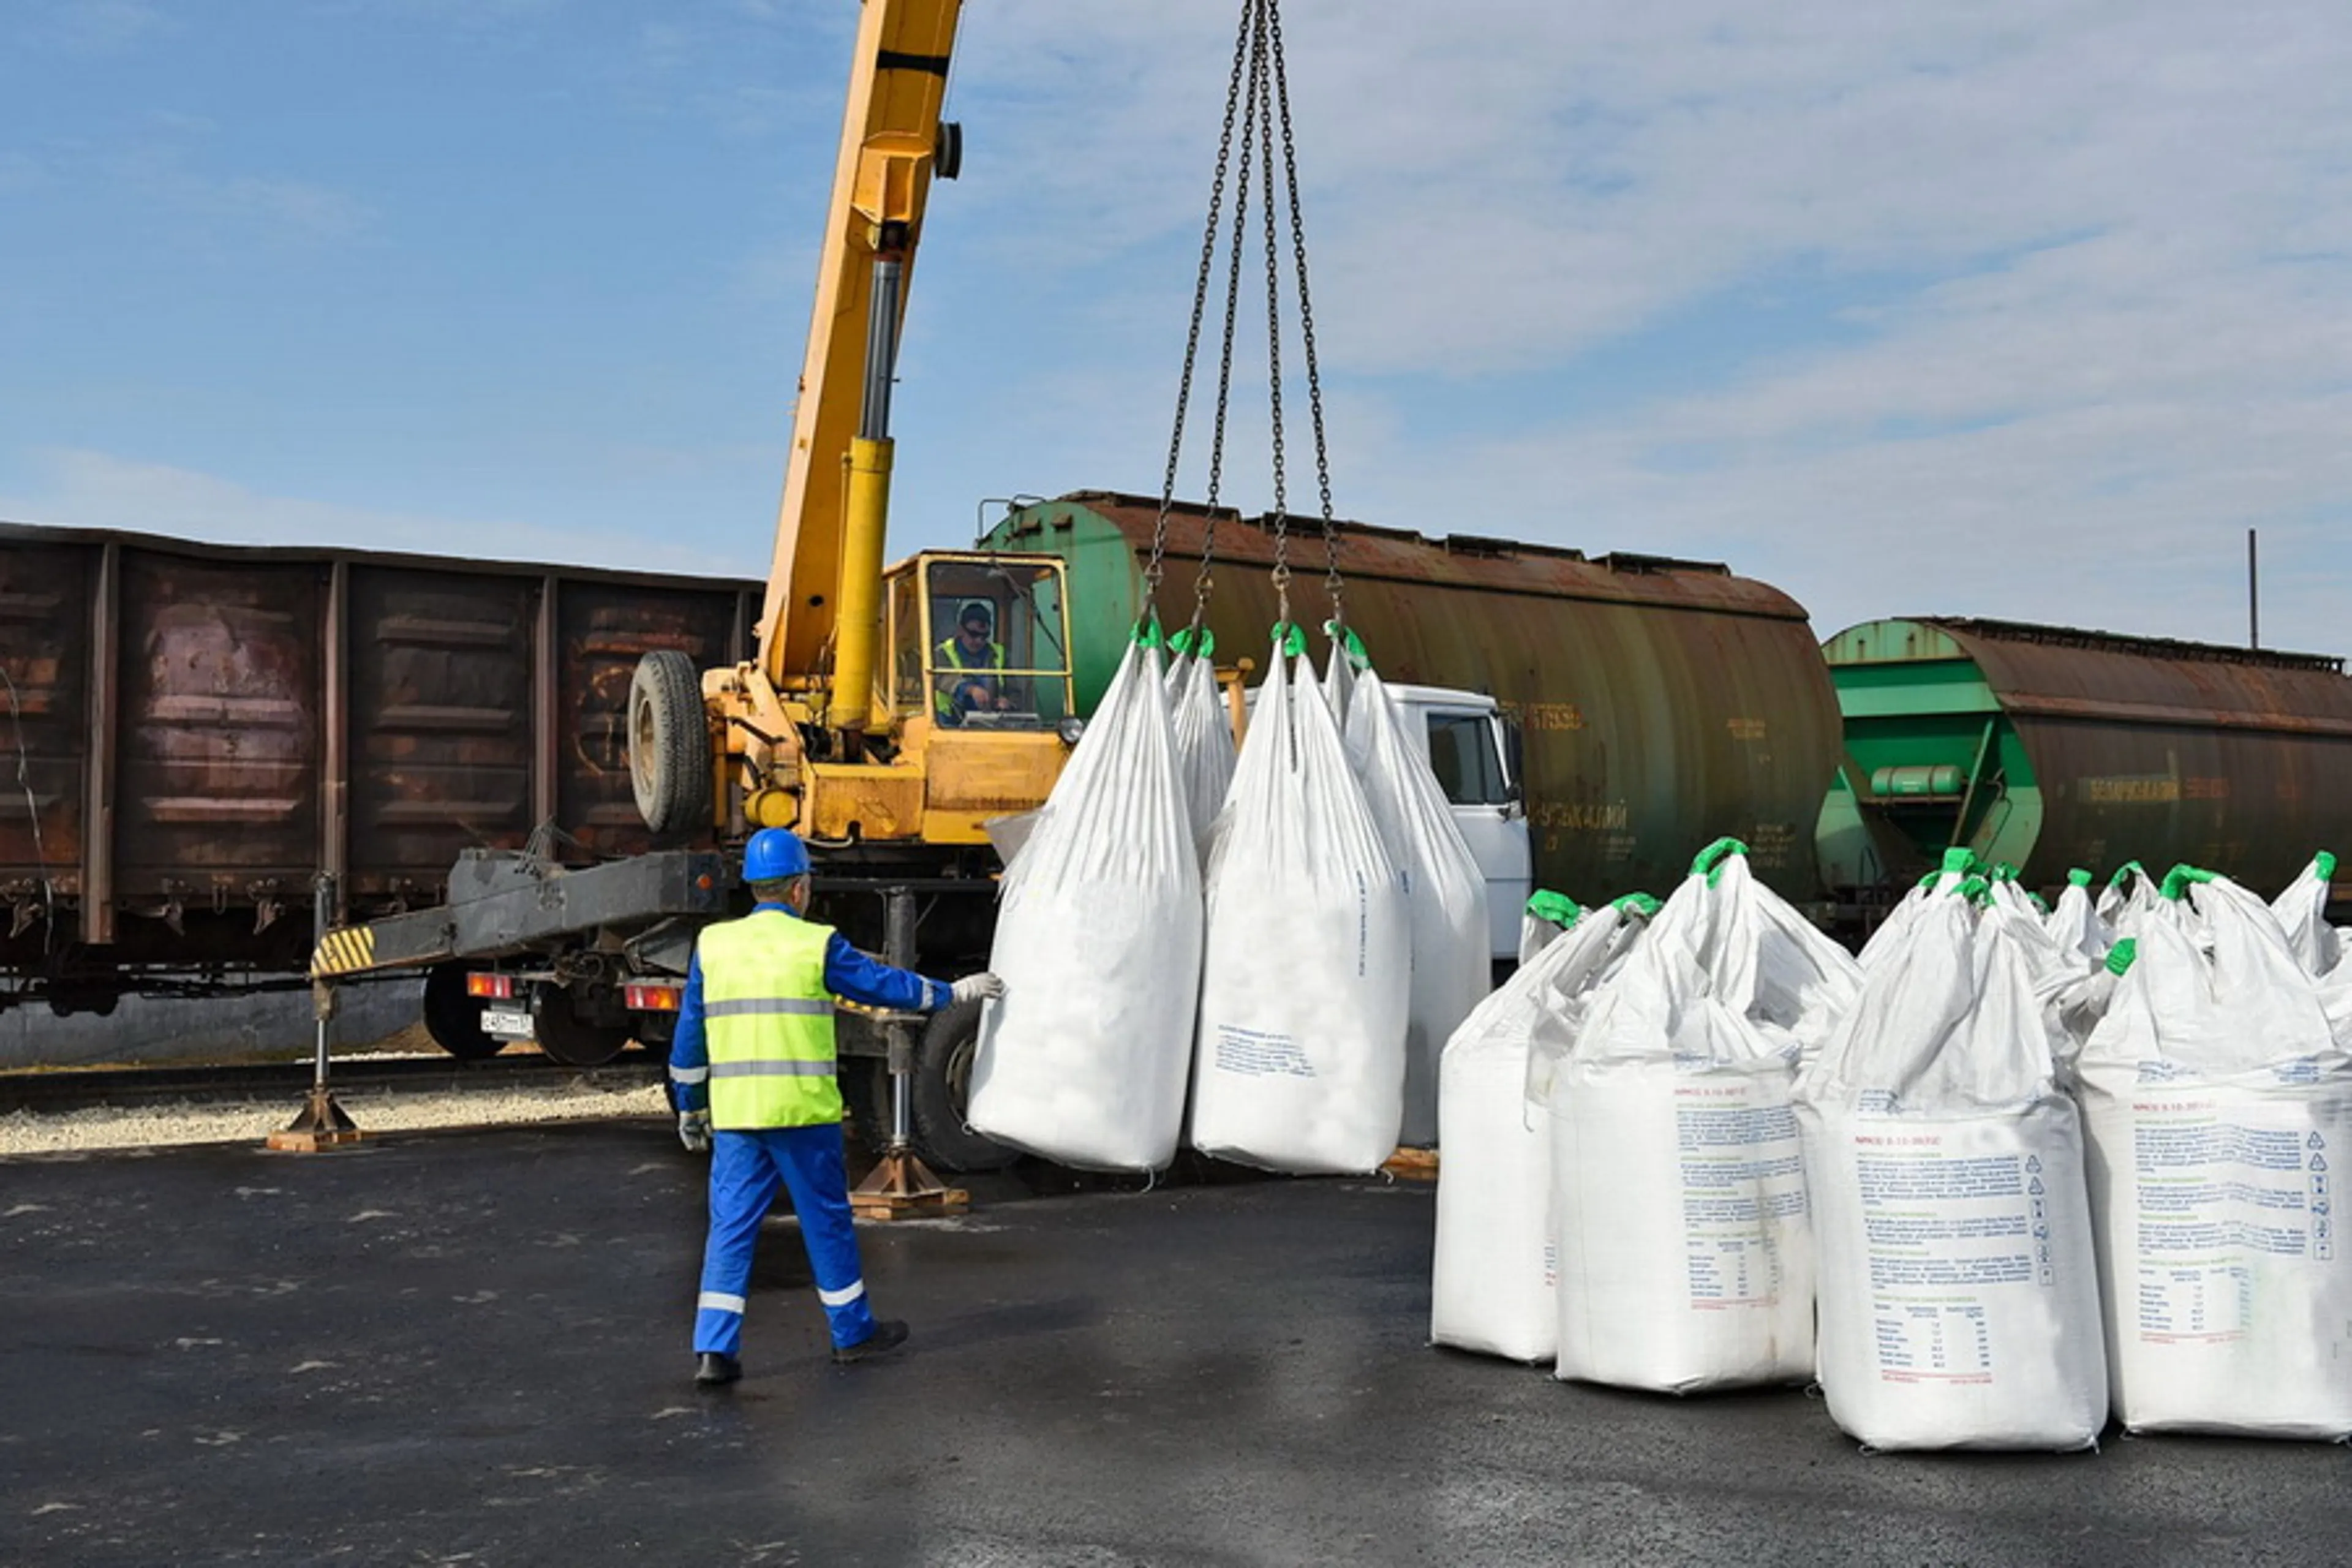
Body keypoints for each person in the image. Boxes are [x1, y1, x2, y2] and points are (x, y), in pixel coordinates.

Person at [668, 827, 1005, 1388]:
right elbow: (884, 987)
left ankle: (713, 1351)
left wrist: (691, 1107)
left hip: (738, 1120)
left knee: (729, 1230)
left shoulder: (714, 947)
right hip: (803, 1117)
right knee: (825, 1225)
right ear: (800, 888)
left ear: (754, 887)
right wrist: (955, 993)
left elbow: (689, 1043)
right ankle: (852, 1335)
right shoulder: (815, 945)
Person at [933, 599, 1014, 723]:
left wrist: (1008, 702)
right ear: (961, 630)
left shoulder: (999, 654)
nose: (979, 641)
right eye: (973, 634)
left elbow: (1016, 691)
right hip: (948, 722)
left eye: (984, 636)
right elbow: (943, 678)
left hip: (991, 722)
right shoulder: (943, 653)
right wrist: (970, 690)